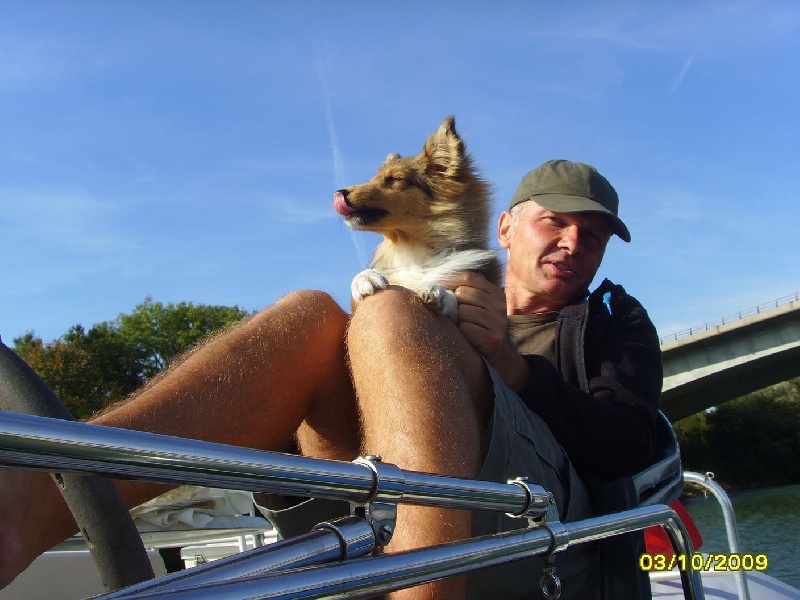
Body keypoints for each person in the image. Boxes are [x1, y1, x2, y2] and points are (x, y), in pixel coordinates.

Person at [0, 159, 662, 599]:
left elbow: (632, 448)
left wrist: (512, 367)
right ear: (508, 227)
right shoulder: (429, 277)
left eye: (594, 236)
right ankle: (29, 503)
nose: (574, 243)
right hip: (367, 495)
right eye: (556, 222)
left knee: (389, 313)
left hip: (542, 528)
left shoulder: (613, 321)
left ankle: (422, 584)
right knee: (312, 314)